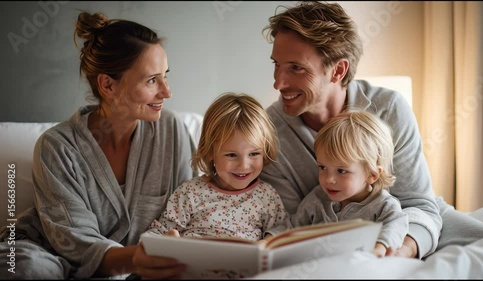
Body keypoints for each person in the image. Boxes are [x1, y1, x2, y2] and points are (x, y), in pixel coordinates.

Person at [259, 1, 483, 260]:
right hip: (334, 243)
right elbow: (295, 227)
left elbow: (418, 203)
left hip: (411, 228)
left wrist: (399, 252)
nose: (278, 82)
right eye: (276, 64)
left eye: (296, 68)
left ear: (338, 70)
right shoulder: (269, 130)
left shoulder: (389, 107)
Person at [0, 11, 196, 279]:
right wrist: (136, 259)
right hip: (51, 256)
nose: (167, 91)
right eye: (152, 80)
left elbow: (190, 208)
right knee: (27, 268)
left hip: (140, 266)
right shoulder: (57, 147)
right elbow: (72, 239)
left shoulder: (171, 131)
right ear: (107, 85)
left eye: (165, 76)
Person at [147, 92, 289, 243]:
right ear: (210, 154)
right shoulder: (191, 192)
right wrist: (168, 240)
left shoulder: (266, 196)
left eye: (254, 153)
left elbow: (282, 232)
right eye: (232, 155)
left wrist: (268, 240)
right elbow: (158, 232)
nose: (244, 165)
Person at [290, 110, 408, 257]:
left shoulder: (383, 205)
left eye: (341, 171)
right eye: (322, 167)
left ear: (372, 175)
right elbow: (292, 227)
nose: (328, 179)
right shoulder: (317, 198)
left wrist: (380, 248)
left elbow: (396, 226)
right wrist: (269, 239)